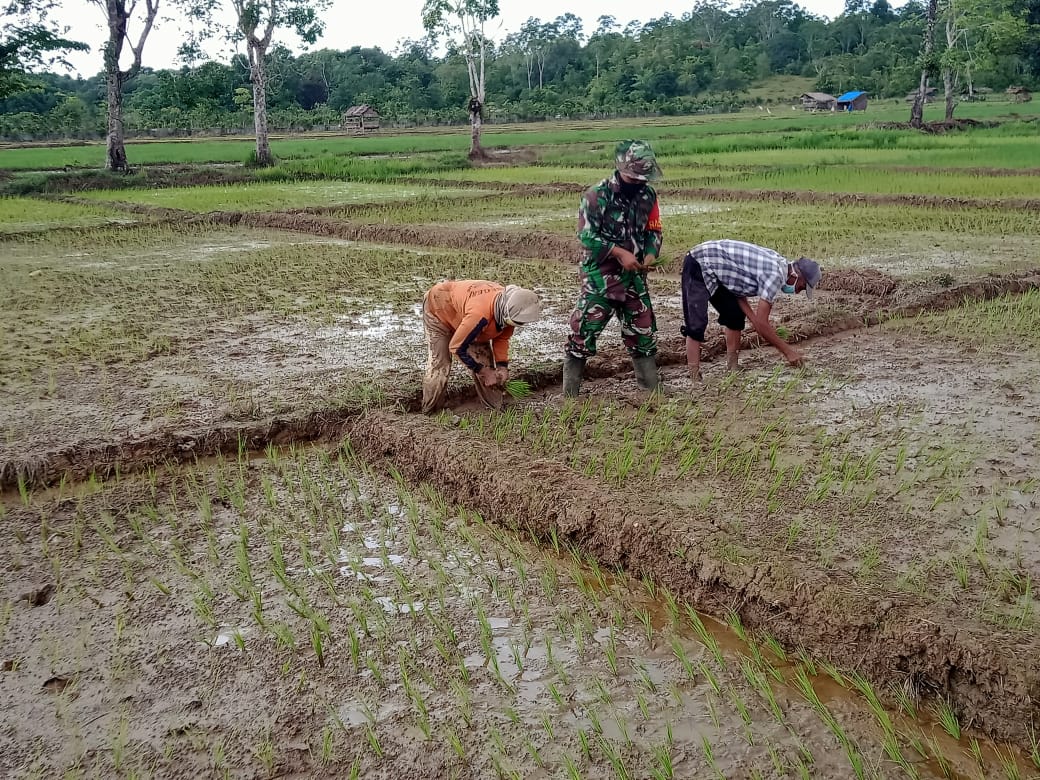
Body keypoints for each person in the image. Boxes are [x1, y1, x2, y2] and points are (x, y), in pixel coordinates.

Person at [563, 139, 664, 397]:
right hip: (601, 278)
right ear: (621, 170)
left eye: (644, 178)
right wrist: (619, 253)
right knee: (583, 333)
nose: (640, 182)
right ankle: (570, 398)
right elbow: (586, 237)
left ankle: (651, 393)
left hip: (634, 277)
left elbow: (654, 230)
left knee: (643, 333)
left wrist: (650, 254)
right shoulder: (596, 196)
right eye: (635, 177)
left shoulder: (648, 195)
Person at [680, 239, 821, 380]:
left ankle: (732, 367)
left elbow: (739, 289)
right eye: (801, 287)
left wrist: (755, 321)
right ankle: (694, 377)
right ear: (795, 275)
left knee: (735, 315)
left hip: (719, 270)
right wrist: (788, 352)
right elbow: (763, 324)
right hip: (700, 262)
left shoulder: (781, 265)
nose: (797, 291)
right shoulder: (774, 276)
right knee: (696, 324)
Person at [421, 280, 541, 414]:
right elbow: (456, 347)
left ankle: (494, 408)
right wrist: (483, 372)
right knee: (440, 364)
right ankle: (430, 410)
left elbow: (502, 338)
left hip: (466, 315)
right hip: (439, 308)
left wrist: (502, 366)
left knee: (485, 361)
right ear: (505, 313)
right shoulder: (480, 315)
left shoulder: (509, 308)